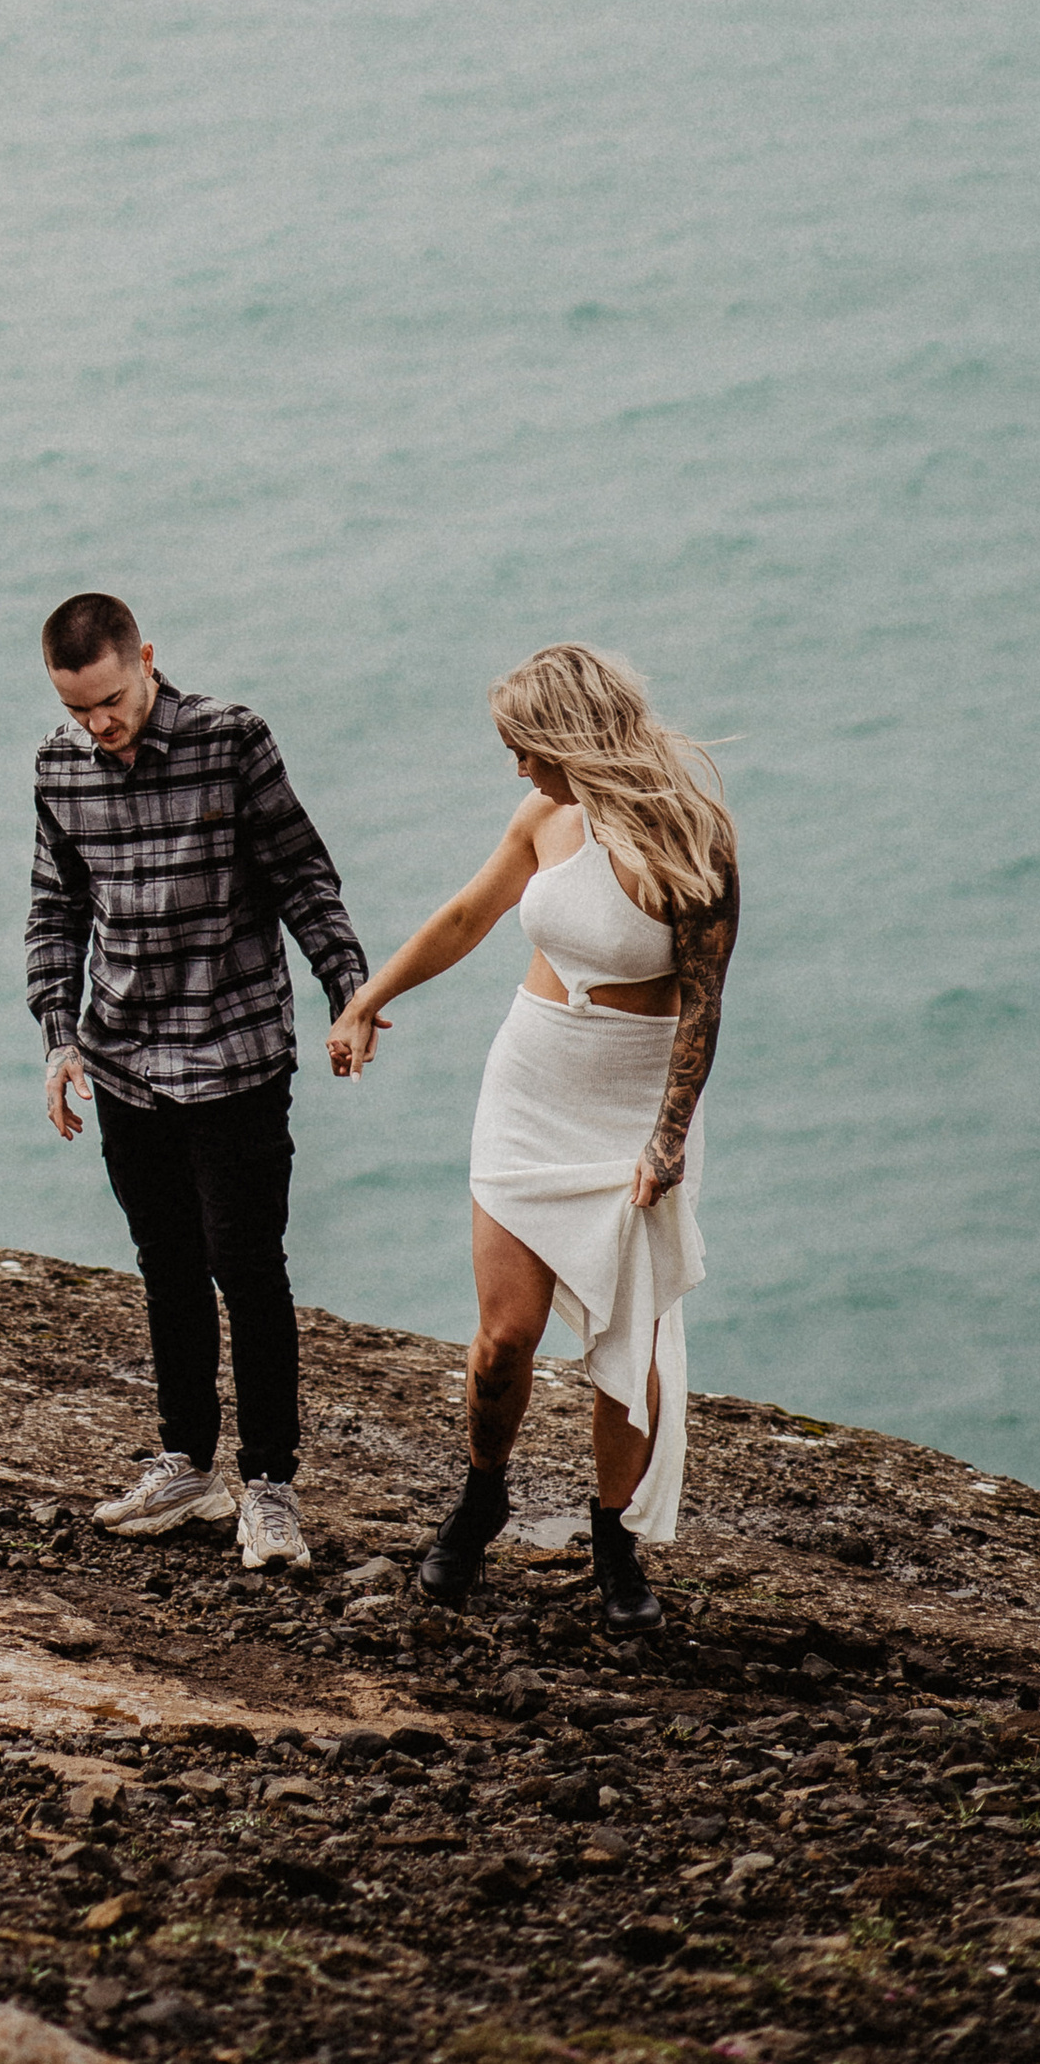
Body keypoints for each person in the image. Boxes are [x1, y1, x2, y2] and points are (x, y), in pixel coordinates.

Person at [327, 642, 738, 1638]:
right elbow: (469, 912)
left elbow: (701, 1007)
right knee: (503, 1341)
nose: (515, 767)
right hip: (528, 1086)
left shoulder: (694, 839)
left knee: (622, 1343)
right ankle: (481, 1495)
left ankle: (613, 1540)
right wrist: (365, 1000)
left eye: (524, 747)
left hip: (631, 1106)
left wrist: (666, 1141)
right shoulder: (544, 815)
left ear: (569, 739)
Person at [27, 591, 372, 1573]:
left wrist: (349, 990)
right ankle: (187, 1460)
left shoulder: (230, 739)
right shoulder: (60, 768)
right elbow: (56, 912)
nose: (98, 723)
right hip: (125, 1058)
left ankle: (267, 1482)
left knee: (246, 1264)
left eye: (109, 699)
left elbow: (304, 874)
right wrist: (60, 1039)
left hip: (235, 1049)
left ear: (146, 658)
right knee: (165, 1263)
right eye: (78, 707)